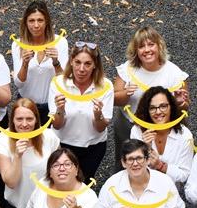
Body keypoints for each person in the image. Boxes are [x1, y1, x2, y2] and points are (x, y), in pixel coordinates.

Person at [113, 26, 189, 169]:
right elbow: (113, 99)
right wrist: (126, 94)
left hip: (162, 128)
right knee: (124, 159)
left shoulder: (174, 73)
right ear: (136, 50)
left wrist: (180, 103)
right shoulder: (128, 69)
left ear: (159, 46)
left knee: (157, 161)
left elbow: (185, 106)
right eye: (141, 46)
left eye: (151, 44)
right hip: (128, 124)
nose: (147, 50)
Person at [98, 139, 185, 208]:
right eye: (130, 159)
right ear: (123, 163)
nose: (135, 163)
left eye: (139, 158)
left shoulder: (165, 182)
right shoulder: (112, 184)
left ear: (147, 160)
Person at [48, 41, 113, 182]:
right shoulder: (58, 83)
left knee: (83, 185)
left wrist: (98, 115)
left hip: (93, 147)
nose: (81, 69)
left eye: (87, 64)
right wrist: (60, 109)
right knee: (60, 183)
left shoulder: (106, 86)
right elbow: (57, 125)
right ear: (71, 61)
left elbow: (101, 127)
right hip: (62, 145)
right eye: (77, 62)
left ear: (95, 64)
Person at [0, 98, 60, 208]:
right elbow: (11, 182)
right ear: (12, 120)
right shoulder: (1, 140)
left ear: (36, 120)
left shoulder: (49, 136)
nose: (24, 124)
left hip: (48, 204)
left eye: (29, 119)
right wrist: (18, 156)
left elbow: (60, 170)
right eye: (19, 119)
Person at [11, 0, 68, 122]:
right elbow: (18, 83)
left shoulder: (60, 42)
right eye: (31, 20)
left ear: (46, 21)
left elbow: (65, 81)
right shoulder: (18, 45)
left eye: (40, 20)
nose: (36, 25)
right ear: (25, 22)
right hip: (26, 106)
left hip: (52, 105)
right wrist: (25, 64)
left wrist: (56, 62)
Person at [130, 86, 193, 187]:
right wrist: (144, 150)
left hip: (170, 191)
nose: (158, 112)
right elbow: (133, 169)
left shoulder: (185, 135)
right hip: (142, 188)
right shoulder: (137, 131)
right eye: (152, 108)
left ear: (171, 107)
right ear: (147, 111)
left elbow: (184, 174)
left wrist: (160, 166)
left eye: (163, 106)